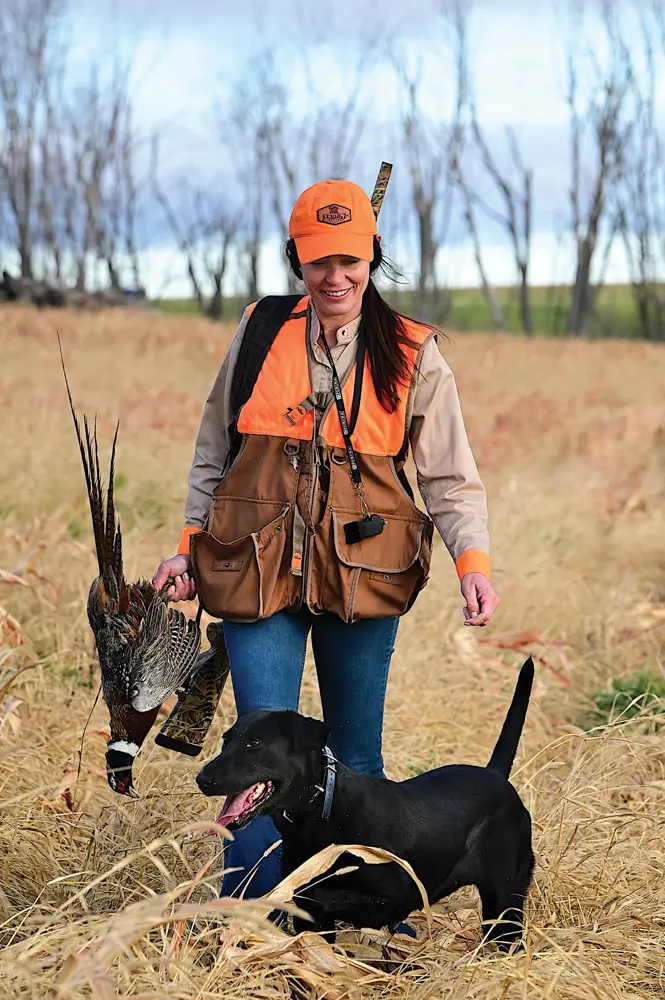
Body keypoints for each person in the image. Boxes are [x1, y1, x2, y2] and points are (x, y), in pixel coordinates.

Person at [152, 178, 500, 899]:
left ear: (371, 256)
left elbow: (448, 479)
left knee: (356, 759)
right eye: (317, 262)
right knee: (253, 751)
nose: (334, 277)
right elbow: (212, 453)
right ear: (296, 261)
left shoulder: (411, 351)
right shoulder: (257, 333)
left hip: (365, 578)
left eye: (349, 260)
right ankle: (248, 923)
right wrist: (187, 545)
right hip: (252, 570)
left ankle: (364, 912)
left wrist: (473, 561)